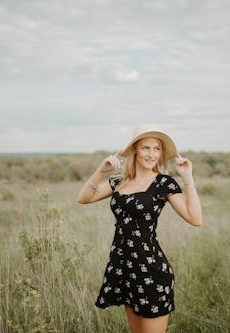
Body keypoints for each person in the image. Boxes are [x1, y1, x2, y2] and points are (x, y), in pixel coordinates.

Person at [77, 124, 203, 333]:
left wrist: (188, 177)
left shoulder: (164, 183)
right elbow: (84, 198)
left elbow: (195, 219)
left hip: (151, 270)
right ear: (135, 149)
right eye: (146, 148)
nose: (152, 154)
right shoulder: (119, 181)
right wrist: (102, 170)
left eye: (157, 149)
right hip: (124, 267)